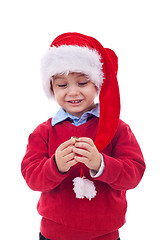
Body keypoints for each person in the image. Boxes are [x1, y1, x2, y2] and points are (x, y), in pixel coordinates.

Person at [21, 32, 145, 240]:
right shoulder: (43, 132)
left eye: (82, 83)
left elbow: (134, 173)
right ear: (51, 87)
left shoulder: (118, 128)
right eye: (62, 85)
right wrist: (56, 166)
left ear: (97, 84)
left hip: (104, 233)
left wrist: (101, 163)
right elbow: (32, 178)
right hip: (54, 234)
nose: (72, 92)